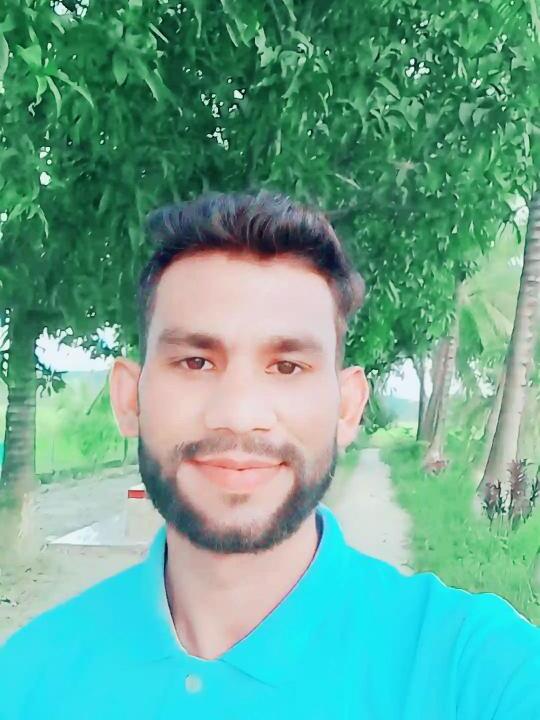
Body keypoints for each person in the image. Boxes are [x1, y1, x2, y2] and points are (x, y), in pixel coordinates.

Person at [0, 191, 539, 719]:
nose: (238, 414)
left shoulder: (476, 670)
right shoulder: (26, 679)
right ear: (129, 400)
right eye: (195, 362)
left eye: (287, 367)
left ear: (347, 408)